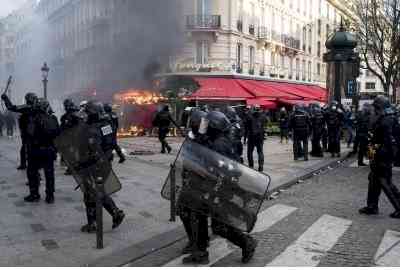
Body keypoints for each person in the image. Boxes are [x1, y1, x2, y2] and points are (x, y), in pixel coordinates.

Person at [183, 111, 257, 265]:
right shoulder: (217, 139)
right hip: (210, 187)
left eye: (207, 125)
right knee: (199, 216)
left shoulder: (220, 144)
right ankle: (201, 252)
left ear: (214, 127)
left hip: (219, 187)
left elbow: (216, 168)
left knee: (219, 226)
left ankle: (247, 243)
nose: (204, 127)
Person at [80, 101, 125, 233]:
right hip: (103, 162)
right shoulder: (107, 125)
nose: (86, 115)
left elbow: (94, 148)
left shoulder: (94, 127)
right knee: (94, 191)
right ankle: (96, 221)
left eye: (88, 113)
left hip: (94, 164)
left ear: (93, 113)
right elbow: (111, 143)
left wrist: (83, 162)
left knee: (93, 192)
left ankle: (112, 215)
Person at [359, 96, 399, 219]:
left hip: (382, 155)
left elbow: (389, 142)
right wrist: (371, 154)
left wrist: (379, 155)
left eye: (376, 107)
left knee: (385, 182)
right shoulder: (385, 118)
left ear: (380, 107)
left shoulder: (386, 120)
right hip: (378, 153)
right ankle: (372, 206)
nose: (374, 110)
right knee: (373, 180)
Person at [179, 109, 210, 264]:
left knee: (199, 216)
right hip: (190, 180)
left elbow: (209, 163)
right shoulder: (192, 136)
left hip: (201, 183)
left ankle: (201, 250)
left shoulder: (207, 139)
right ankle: (194, 241)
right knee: (183, 210)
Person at [1, 92, 41, 200]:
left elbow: (11, 107)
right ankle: (39, 181)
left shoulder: (28, 108)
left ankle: (34, 190)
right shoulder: (40, 108)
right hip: (39, 140)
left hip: (30, 139)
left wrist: (5, 98)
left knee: (31, 164)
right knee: (35, 161)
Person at [26, 98, 60, 203]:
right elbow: (57, 134)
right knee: (49, 174)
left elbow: (29, 134)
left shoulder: (33, 119)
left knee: (32, 173)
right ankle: (50, 196)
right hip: (49, 150)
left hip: (36, 151)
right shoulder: (53, 118)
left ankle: (34, 194)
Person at [60, 99, 82, 175]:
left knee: (72, 153)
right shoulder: (74, 114)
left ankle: (72, 169)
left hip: (73, 137)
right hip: (73, 136)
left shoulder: (72, 115)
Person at [244, 105, 267, 172]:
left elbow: (246, 128)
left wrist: (245, 138)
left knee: (250, 152)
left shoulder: (249, 116)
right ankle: (261, 167)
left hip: (251, 137)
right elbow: (264, 124)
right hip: (260, 136)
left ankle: (251, 166)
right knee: (260, 152)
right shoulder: (263, 116)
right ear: (259, 109)